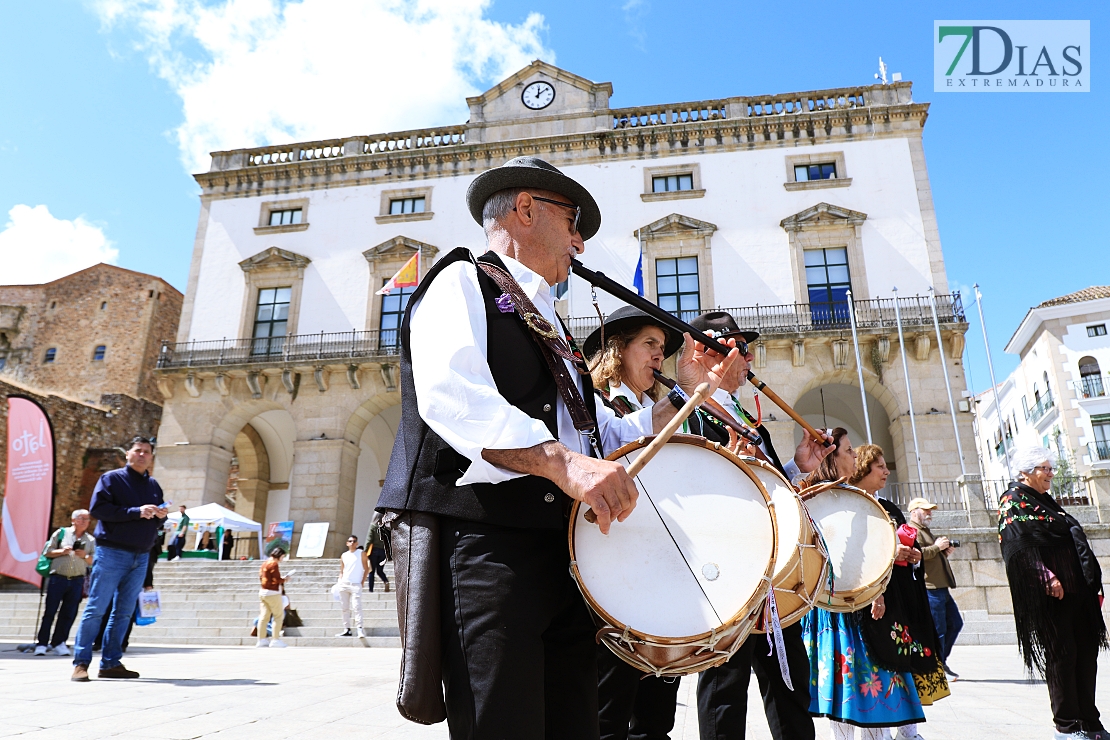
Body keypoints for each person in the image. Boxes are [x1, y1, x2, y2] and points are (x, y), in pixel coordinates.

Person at [376, 155, 738, 739]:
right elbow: (453, 396)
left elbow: (604, 437)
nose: (580, 243)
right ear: (525, 209)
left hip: (563, 555)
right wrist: (563, 464)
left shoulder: (551, 321)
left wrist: (695, 394)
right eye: (573, 223)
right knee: (505, 726)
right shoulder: (459, 279)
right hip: (490, 550)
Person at [689, 311, 834, 740]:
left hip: (771, 570)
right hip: (726, 571)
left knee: (790, 682)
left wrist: (798, 467)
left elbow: (768, 487)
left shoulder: (743, 414)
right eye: (742, 349)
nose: (750, 359)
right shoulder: (691, 409)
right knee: (725, 686)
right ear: (711, 352)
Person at [584, 305, 725, 740]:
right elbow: (625, 438)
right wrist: (683, 396)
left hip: (663, 561)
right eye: (649, 344)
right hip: (615, 567)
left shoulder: (656, 403)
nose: (657, 357)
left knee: (657, 714)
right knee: (610, 706)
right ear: (617, 349)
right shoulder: (595, 400)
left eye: (662, 349)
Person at [800, 432, 928, 740]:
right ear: (832, 458)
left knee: (866, 671)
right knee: (842, 675)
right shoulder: (816, 498)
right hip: (833, 604)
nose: (854, 457)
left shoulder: (856, 499)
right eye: (848, 451)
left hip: (856, 598)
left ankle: (880, 735)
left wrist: (879, 586)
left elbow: (865, 550)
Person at [999, 445, 1107, 740]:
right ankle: (1067, 725)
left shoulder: (1046, 501)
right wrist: (1044, 576)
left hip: (1077, 592)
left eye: (1050, 468)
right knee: (1063, 655)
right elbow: (1016, 546)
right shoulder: (1013, 501)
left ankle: (1090, 720)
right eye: (1044, 468)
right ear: (1025, 472)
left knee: (1086, 653)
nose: (1050, 473)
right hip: (1052, 595)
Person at [851, 445, 948, 740]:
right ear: (863, 469)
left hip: (903, 597)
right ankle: (875, 732)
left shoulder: (890, 507)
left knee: (907, 662)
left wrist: (914, 554)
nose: (886, 471)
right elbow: (858, 552)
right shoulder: (854, 506)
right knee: (879, 666)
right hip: (876, 600)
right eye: (879, 466)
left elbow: (908, 543)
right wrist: (893, 553)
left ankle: (908, 730)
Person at [70, 436, 167, 682]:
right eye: (138, 451)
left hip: (141, 555)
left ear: (151, 457)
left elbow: (153, 520)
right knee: (97, 608)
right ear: (128, 454)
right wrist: (136, 511)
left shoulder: (154, 485)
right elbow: (98, 510)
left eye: (147, 451)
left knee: (123, 612)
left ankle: (111, 662)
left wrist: (160, 515)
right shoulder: (111, 479)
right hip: (112, 552)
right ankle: (81, 663)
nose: (142, 455)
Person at [906, 497, 963, 678]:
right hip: (930, 588)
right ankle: (936, 666)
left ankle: (940, 662)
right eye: (925, 510)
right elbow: (916, 555)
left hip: (940, 587)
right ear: (914, 512)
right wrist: (937, 547)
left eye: (930, 510)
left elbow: (931, 556)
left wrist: (943, 552)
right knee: (939, 629)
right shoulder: (912, 531)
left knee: (955, 623)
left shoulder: (925, 531)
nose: (929, 513)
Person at [34, 509, 96, 656]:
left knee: (69, 613)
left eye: (87, 519)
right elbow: (47, 552)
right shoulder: (61, 533)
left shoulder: (91, 540)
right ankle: (42, 643)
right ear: (73, 520)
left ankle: (59, 642)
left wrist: (84, 555)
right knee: (50, 611)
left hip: (77, 580)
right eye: (81, 518)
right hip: (58, 578)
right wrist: (62, 551)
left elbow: (94, 560)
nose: (84, 522)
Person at [335, 535, 368, 638]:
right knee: (344, 608)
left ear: (357, 543)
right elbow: (342, 570)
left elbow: (366, 568)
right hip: (344, 584)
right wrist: (339, 581)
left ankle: (359, 629)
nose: (352, 543)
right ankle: (347, 629)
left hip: (356, 584)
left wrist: (362, 582)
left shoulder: (361, 553)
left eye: (354, 541)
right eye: (350, 541)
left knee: (357, 606)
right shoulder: (344, 555)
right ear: (347, 543)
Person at [258, 545, 288, 648]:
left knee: (263, 617)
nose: (282, 559)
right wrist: (285, 579)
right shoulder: (274, 564)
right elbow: (276, 579)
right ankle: (275, 639)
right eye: (282, 557)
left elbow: (261, 577)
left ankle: (261, 639)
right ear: (279, 556)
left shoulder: (264, 563)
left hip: (263, 591)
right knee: (278, 616)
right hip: (273, 593)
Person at [366, 512, 389, 593]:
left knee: (371, 571)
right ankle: (385, 581)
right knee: (380, 571)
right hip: (383, 552)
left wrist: (365, 552)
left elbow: (369, 540)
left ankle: (371, 590)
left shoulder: (373, 526)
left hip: (374, 551)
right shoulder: (386, 527)